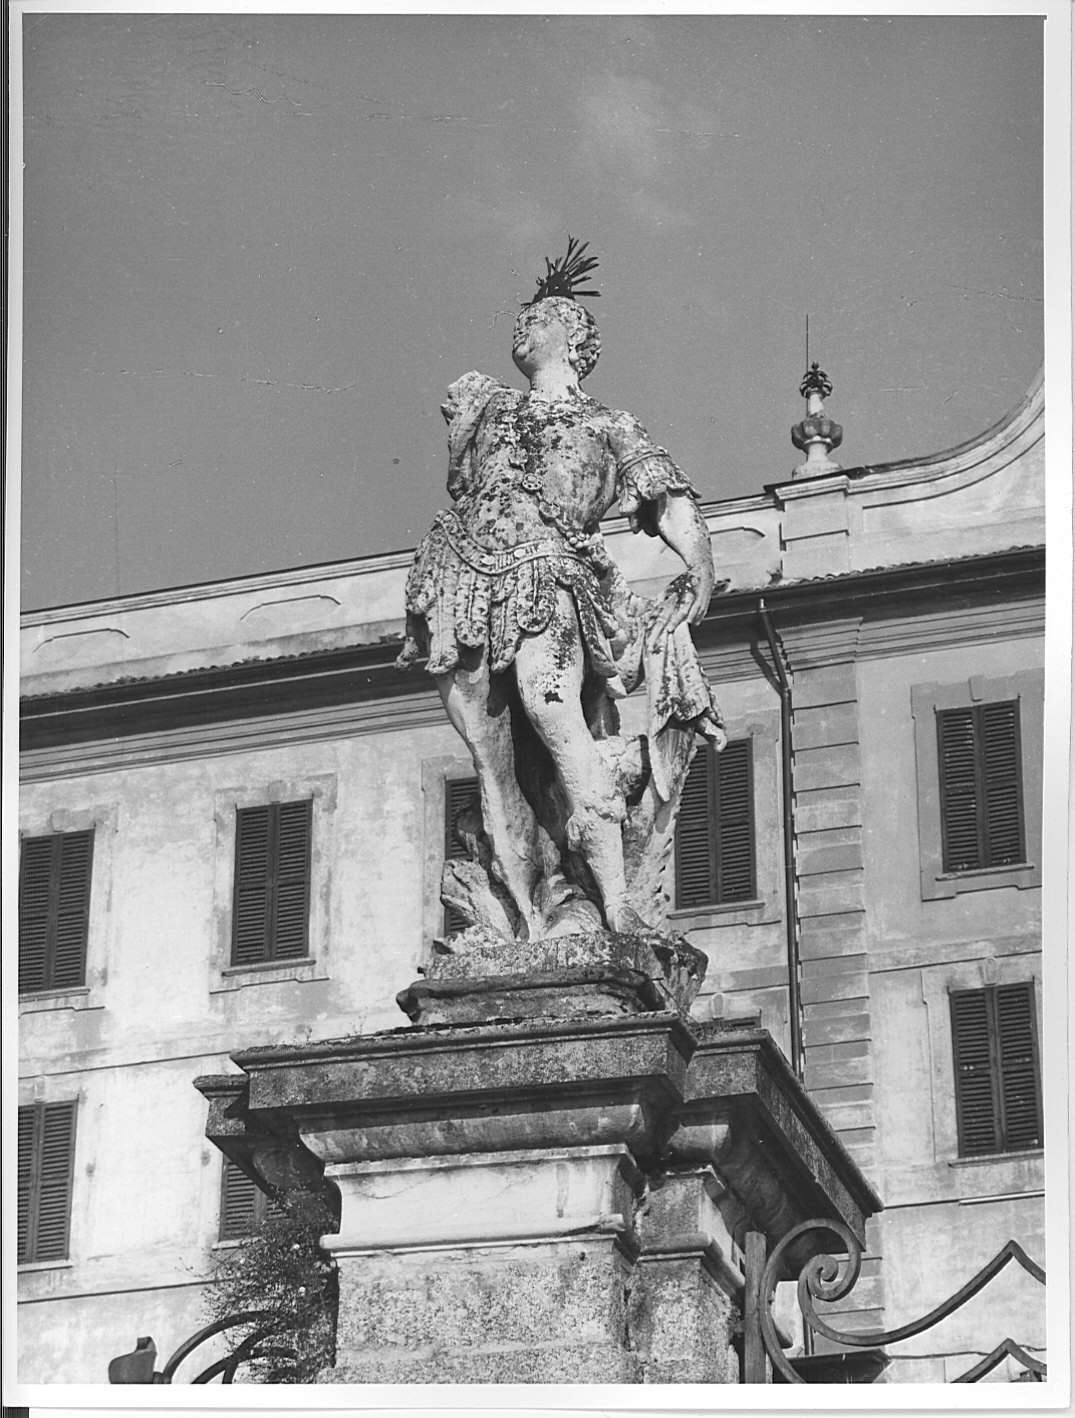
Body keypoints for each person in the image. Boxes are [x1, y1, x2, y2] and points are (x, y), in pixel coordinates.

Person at [398, 245, 724, 939]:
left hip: (547, 576)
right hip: (461, 578)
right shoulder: (487, 406)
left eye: (539, 317)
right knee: (489, 755)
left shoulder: (608, 424)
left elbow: (667, 497)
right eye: (521, 317)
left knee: (553, 711)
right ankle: (524, 910)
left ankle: (614, 901)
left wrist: (698, 564)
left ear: (574, 337)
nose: (523, 325)